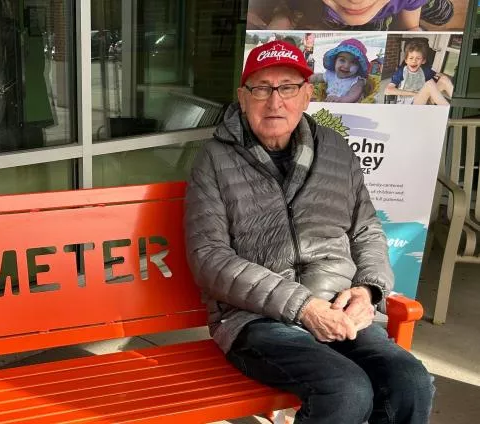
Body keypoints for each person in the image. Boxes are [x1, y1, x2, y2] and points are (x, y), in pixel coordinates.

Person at [184, 40, 433, 423]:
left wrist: (368, 289)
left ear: (305, 95)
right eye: (261, 88)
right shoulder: (214, 160)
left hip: (338, 306)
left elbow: (366, 228)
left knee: (410, 381)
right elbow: (210, 258)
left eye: (286, 88)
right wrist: (303, 306)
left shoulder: (336, 150)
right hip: (255, 319)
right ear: (243, 96)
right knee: (346, 389)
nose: (274, 102)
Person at [258, 0, 453, 30]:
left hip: (392, 7)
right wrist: (281, 15)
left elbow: (410, 26)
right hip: (330, 17)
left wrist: (414, 30)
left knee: (444, 13)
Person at [384, 40, 453, 105]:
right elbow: (388, 90)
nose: (414, 61)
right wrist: (413, 93)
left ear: (423, 61)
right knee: (430, 83)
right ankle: (447, 109)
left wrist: (442, 76)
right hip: (408, 104)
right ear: (406, 60)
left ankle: (455, 104)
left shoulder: (425, 70)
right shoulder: (401, 72)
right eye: (411, 58)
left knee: (444, 79)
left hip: (425, 100)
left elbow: (438, 75)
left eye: (418, 58)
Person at [309, 38, 368, 103]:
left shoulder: (357, 81)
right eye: (342, 60)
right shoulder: (331, 74)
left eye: (353, 62)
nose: (346, 66)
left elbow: (353, 96)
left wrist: (340, 100)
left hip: (346, 107)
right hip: (329, 104)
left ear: (359, 66)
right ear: (335, 61)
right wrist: (307, 78)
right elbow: (317, 77)